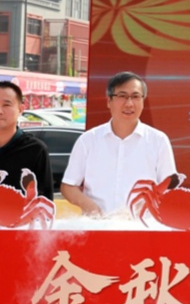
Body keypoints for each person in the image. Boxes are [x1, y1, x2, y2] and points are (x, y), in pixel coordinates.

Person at [60, 71, 176, 218]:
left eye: (135, 96)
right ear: (109, 101)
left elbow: (168, 187)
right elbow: (68, 186)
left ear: (143, 101)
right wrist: (92, 208)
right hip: (97, 225)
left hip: (143, 226)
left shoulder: (158, 140)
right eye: (122, 96)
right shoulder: (88, 140)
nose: (129, 104)